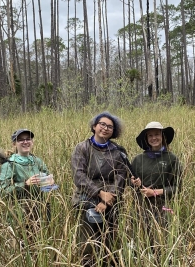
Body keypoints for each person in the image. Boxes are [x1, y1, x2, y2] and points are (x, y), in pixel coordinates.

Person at [70, 111, 129, 267]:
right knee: (88, 245)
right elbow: (79, 176)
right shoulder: (82, 148)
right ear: (94, 126)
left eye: (110, 126)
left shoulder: (118, 151)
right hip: (85, 200)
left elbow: (121, 177)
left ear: (114, 131)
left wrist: (109, 198)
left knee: (109, 244)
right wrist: (99, 193)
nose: (106, 128)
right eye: (102, 124)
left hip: (112, 202)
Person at [130, 121, 182, 262]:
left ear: (162, 136)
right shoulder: (138, 160)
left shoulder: (172, 159)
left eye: (157, 134)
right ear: (146, 139)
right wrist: (134, 183)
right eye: (150, 135)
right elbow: (131, 184)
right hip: (141, 209)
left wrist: (155, 192)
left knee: (162, 245)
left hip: (163, 209)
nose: (154, 138)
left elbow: (178, 188)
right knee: (142, 244)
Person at [0, 129, 54, 248]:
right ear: (14, 144)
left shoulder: (37, 161)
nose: (25, 142)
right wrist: (25, 184)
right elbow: (3, 191)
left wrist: (49, 182)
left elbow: (47, 182)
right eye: (21, 140)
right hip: (19, 215)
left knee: (40, 247)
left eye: (28, 139)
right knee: (22, 249)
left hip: (40, 212)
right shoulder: (9, 164)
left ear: (32, 142)